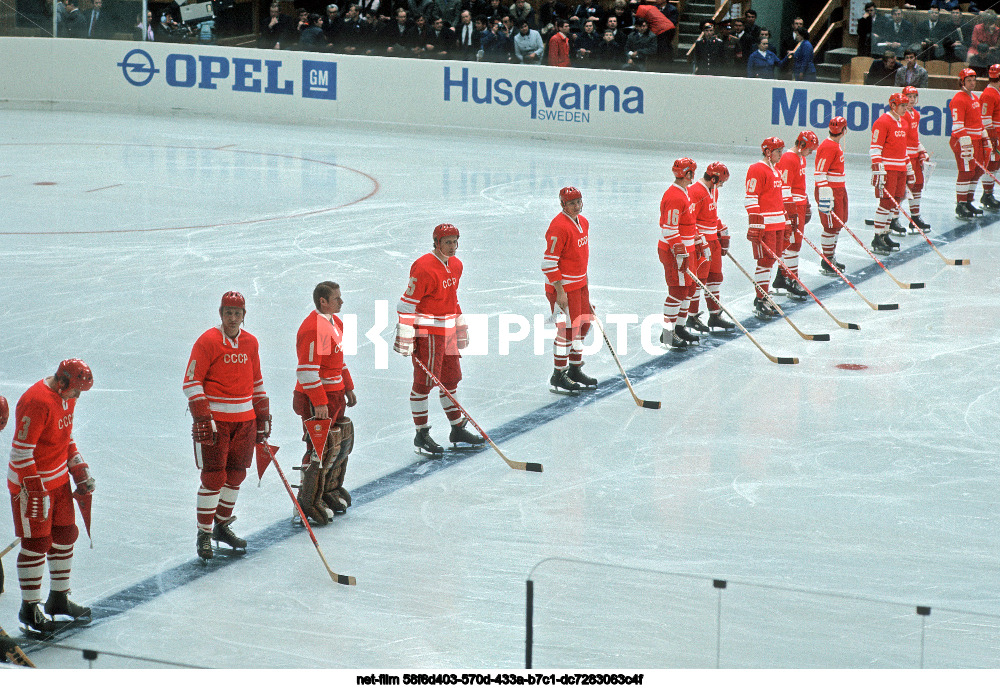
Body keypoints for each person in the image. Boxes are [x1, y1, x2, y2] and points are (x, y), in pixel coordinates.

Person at [8, 360, 95, 635]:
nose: (78, 397)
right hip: (31, 486)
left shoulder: (67, 396)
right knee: (37, 542)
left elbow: (65, 438)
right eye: (76, 391)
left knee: (65, 534)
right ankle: (29, 607)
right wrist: (34, 490)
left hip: (58, 482)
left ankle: (58, 598)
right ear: (62, 383)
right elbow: (20, 453)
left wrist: (78, 469)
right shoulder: (37, 402)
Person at [183, 292, 270, 560]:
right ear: (221, 314)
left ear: (244, 315)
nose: (233, 318)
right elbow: (191, 382)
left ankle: (221, 525)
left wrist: (263, 415)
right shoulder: (207, 341)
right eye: (228, 313)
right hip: (217, 423)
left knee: (236, 475)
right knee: (213, 477)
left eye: (237, 313)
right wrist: (202, 415)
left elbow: (256, 382)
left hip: (245, 421)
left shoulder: (251, 343)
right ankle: (204, 534)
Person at [394, 224, 484, 456]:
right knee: (423, 385)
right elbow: (406, 304)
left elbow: (452, 299)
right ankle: (421, 433)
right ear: (436, 242)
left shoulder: (456, 265)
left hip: (448, 331)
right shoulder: (423, 267)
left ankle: (457, 428)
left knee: (451, 380)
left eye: (455, 241)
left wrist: (460, 323)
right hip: (427, 334)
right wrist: (406, 334)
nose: (453, 247)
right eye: (447, 242)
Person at [293, 282, 357, 525]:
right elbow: (307, 371)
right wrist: (318, 401)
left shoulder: (334, 323)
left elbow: (338, 362)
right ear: (323, 301)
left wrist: (348, 386)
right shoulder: (313, 328)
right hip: (315, 397)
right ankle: (306, 500)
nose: (341, 302)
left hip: (335, 394)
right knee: (319, 448)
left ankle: (327, 491)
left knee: (339, 443)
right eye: (337, 298)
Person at [542, 187, 597, 394]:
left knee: (583, 325)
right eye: (571, 203)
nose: (576, 206)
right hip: (563, 290)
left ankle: (574, 369)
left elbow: (581, 259)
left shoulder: (583, 223)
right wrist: (560, 293)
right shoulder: (558, 227)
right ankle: (559, 373)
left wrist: (586, 290)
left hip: (580, 285)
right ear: (562, 204)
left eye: (578, 201)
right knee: (567, 331)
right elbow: (548, 264)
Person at [685, 163, 736, 333]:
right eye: (721, 181)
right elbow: (690, 221)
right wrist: (699, 240)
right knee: (699, 281)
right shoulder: (695, 192)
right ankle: (691, 317)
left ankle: (715, 315)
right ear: (713, 179)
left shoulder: (714, 190)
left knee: (715, 278)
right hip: (702, 244)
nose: (722, 185)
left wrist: (722, 229)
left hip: (713, 241)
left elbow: (712, 216)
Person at [657, 158, 701, 348]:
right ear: (688, 174)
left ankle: (680, 327)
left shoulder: (686, 192)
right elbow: (669, 228)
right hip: (674, 251)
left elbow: (688, 223)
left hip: (686, 249)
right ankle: (667, 333)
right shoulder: (675, 196)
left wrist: (698, 241)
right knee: (678, 290)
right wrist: (680, 252)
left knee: (689, 288)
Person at [744, 137, 786, 320]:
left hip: (778, 223)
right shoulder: (756, 169)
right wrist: (755, 222)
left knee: (772, 261)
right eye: (778, 151)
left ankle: (765, 295)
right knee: (765, 262)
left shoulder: (775, 170)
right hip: (766, 225)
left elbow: (778, 198)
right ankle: (760, 299)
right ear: (768, 152)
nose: (781, 155)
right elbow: (751, 197)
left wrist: (787, 220)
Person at [774, 131, 817, 297]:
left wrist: (805, 202)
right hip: (790, 207)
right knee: (793, 245)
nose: (811, 153)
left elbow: (799, 185)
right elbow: (784, 187)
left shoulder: (801, 158)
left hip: (798, 206)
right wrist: (790, 211)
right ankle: (791, 279)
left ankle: (782, 276)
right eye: (810, 149)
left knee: (794, 244)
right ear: (802, 145)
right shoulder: (788, 158)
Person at [870, 93, 911, 255]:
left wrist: (909, 167)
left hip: (900, 169)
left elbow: (903, 148)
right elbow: (875, 148)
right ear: (893, 105)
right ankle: (877, 236)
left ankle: (885, 234)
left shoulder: (904, 122)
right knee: (886, 203)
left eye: (906, 105)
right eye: (902, 106)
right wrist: (879, 170)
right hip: (888, 170)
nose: (905, 109)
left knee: (895, 203)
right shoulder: (882, 122)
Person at [950, 68, 989, 218]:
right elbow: (957, 125)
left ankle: (968, 201)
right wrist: (966, 144)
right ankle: (960, 204)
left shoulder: (975, 98)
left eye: (974, 80)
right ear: (962, 82)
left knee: (977, 171)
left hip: (977, 141)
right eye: (969, 80)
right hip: (963, 141)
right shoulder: (958, 99)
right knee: (966, 171)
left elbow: (979, 122)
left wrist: (985, 138)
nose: (972, 83)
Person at [815, 116, 850, 274]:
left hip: (839, 189)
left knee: (838, 223)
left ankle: (831, 257)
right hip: (830, 192)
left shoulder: (835, 145)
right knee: (830, 226)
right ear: (844, 130)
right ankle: (827, 260)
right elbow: (820, 173)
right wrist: (825, 195)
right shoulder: (828, 146)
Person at [899, 86, 934, 231]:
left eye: (914, 96)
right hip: (904, 157)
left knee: (918, 185)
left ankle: (915, 217)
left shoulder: (916, 114)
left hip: (914, 157)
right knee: (901, 188)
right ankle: (892, 219)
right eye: (909, 96)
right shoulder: (901, 115)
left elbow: (915, 137)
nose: (912, 100)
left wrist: (922, 151)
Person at [978, 65, 1000, 210]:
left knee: (995, 164)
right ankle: (987, 194)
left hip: (997, 134)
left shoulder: (995, 93)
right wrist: (992, 138)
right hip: (994, 135)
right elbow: (985, 119)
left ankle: (989, 193)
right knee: (991, 165)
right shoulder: (989, 94)